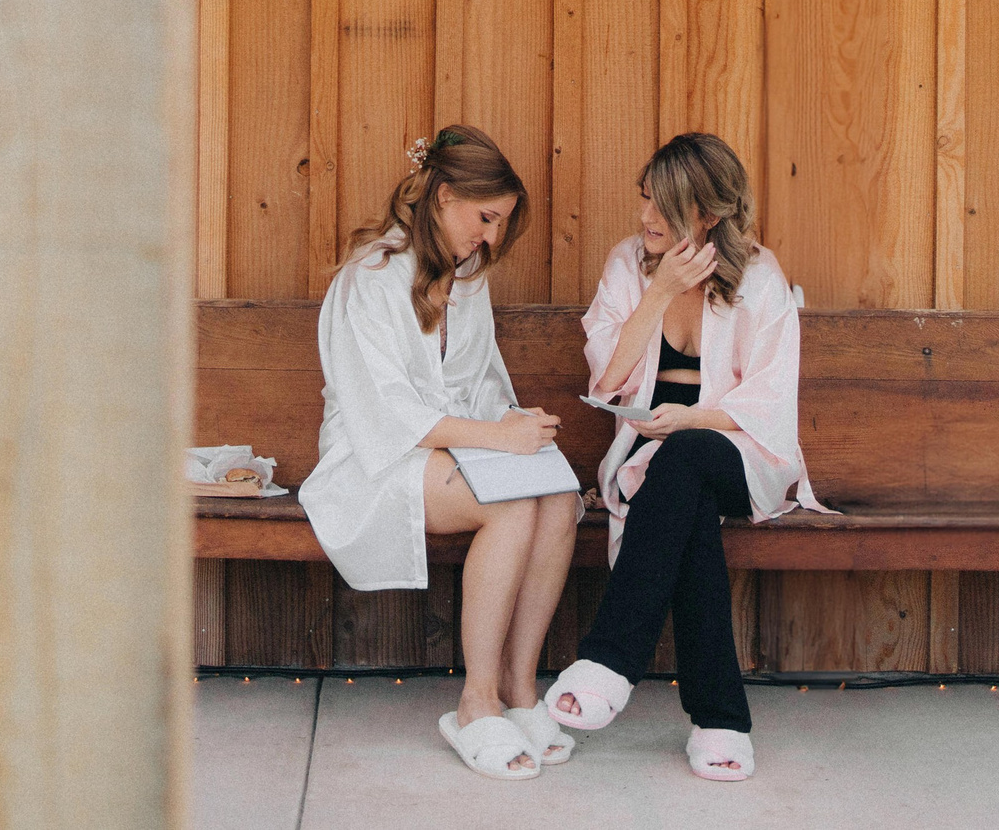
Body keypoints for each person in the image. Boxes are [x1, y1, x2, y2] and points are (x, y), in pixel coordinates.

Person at [298, 125, 580, 781]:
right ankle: (474, 702)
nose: (491, 236)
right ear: (444, 194)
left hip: (445, 450)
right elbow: (389, 413)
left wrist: (513, 420)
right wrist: (497, 439)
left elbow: (477, 384)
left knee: (560, 497)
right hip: (372, 460)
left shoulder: (468, 279)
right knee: (508, 505)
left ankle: (519, 689)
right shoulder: (369, 277)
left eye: (502, 223)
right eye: (485, 218)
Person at [544, 132, 825, 782]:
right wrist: (659, 290)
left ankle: (610, 661)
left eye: (666, 208)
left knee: (691, 456)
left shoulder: (758, 276)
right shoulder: (629, 264)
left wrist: (692, 417)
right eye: (646, 198)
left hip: (740, 454)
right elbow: (606, 383)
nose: (646, 217)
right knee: (683, 491)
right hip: (654, 460)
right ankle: (720, 718)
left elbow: (770, 401)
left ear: (709, 214)